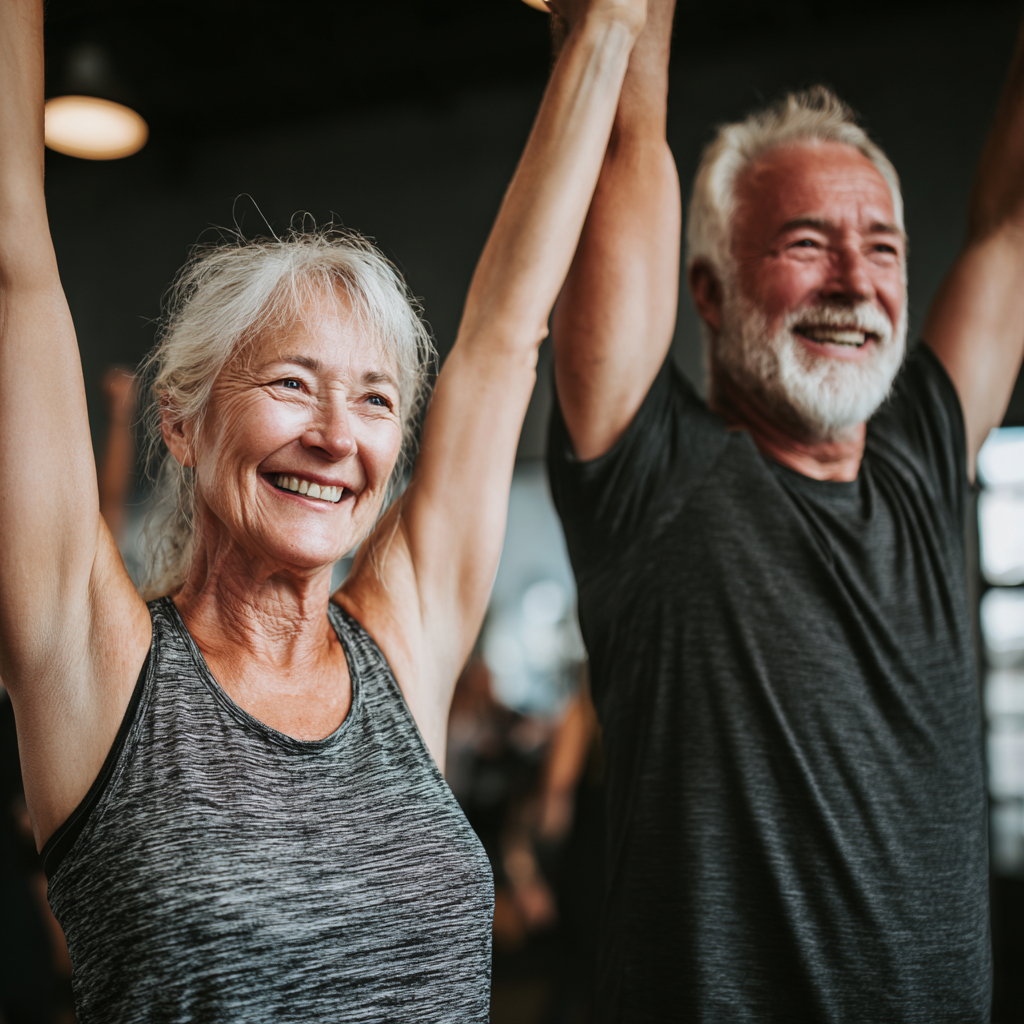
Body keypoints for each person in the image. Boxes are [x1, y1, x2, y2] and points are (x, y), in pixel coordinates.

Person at [0, 0, 647, 1020]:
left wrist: (605, 29)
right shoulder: (98, 669)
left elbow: (503, 336)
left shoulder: (402, 646)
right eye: (292, 384)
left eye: (376, 400)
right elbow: (15, 265)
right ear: (181, 420)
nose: (338, 435)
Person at [546, 0, 1024, 1020]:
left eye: (883, 248)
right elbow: (625, 138)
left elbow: (1012, 224)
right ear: (710, 292)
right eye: (807, 243)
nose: (854, 282)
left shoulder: (920, 463)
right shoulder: (651, 473)